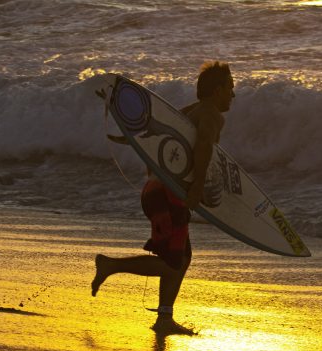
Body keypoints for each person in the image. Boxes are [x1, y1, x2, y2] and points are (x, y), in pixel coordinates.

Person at [91, 61, 235, 336]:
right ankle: (111, 265)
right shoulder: (212, 114)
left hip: (156, 190)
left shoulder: (188, 113)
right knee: (173, 262)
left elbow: (149, 134)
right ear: (217, 90)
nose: (233, 94)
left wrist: (118, 110)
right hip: (169, 195)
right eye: (230, 88)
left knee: (182, 256)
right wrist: (196, 189)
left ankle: (165, 317)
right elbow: (203, 147)